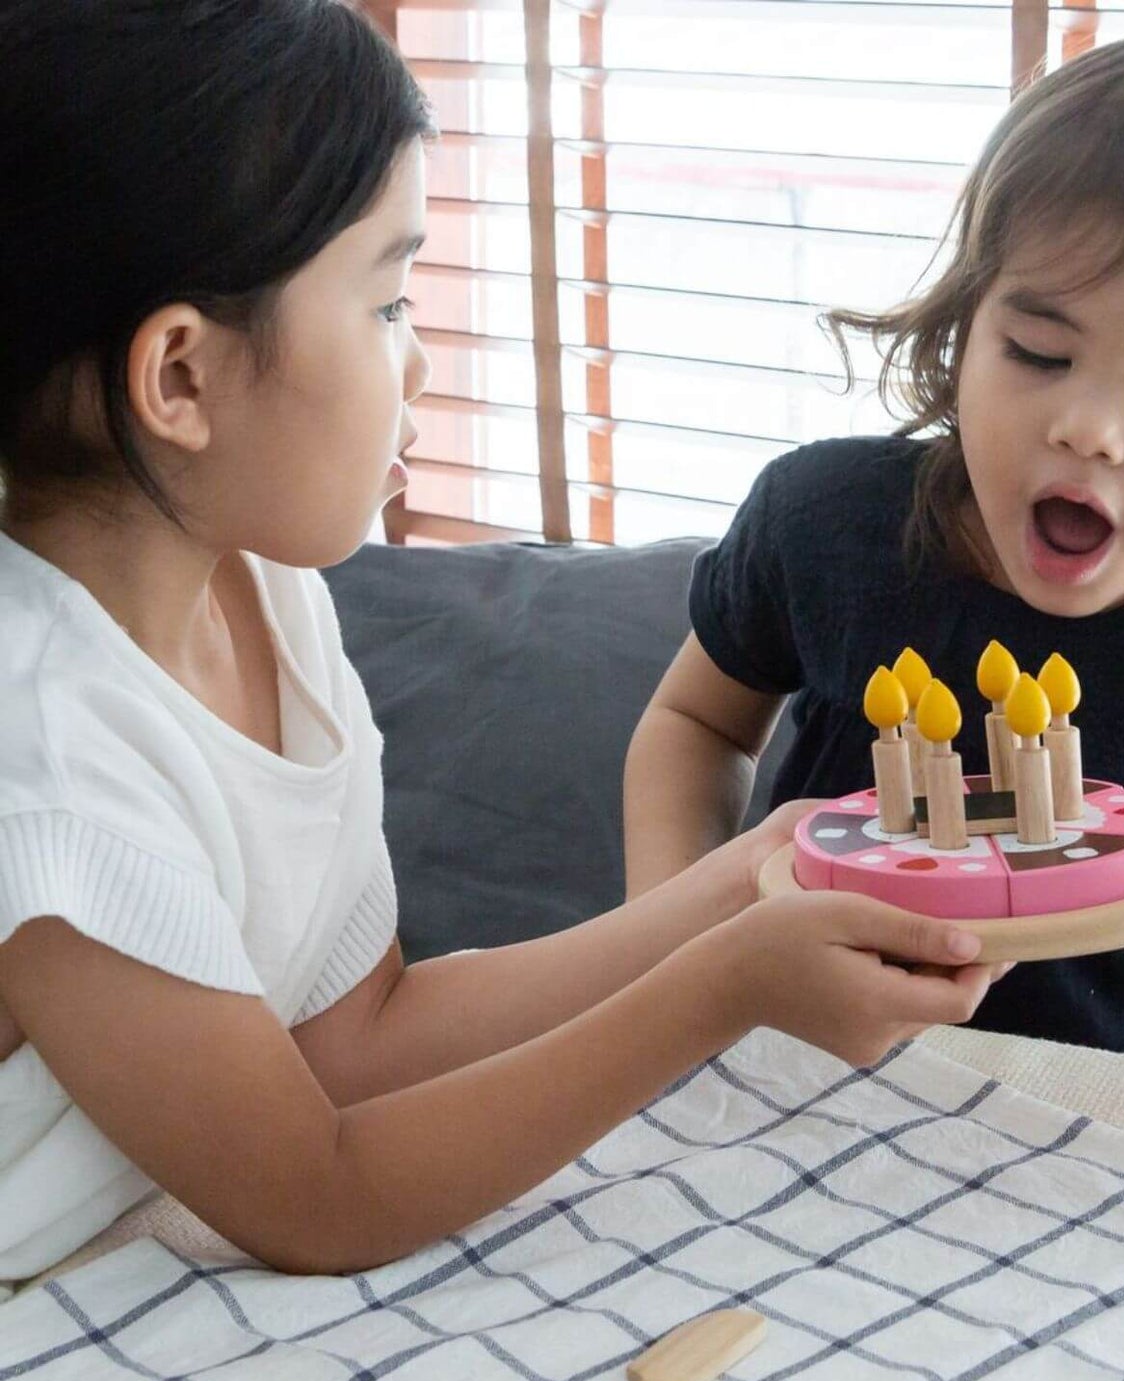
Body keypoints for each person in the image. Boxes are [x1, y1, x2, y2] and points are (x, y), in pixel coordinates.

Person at [0, 0, 1010, 1290]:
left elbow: (355, 1035)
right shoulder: (46, 749)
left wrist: (745, 880)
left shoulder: (262, 590)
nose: (418, 362)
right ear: (181, 380)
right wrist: (720, 988)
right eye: (387, 300)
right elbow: (320, 1195)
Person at [625, 37, 1124, 1095]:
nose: (1087, 427)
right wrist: (677, 956)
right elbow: (691, 722)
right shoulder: (822, 525)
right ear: (968, 325)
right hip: (816, 1110)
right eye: (1039, 353)